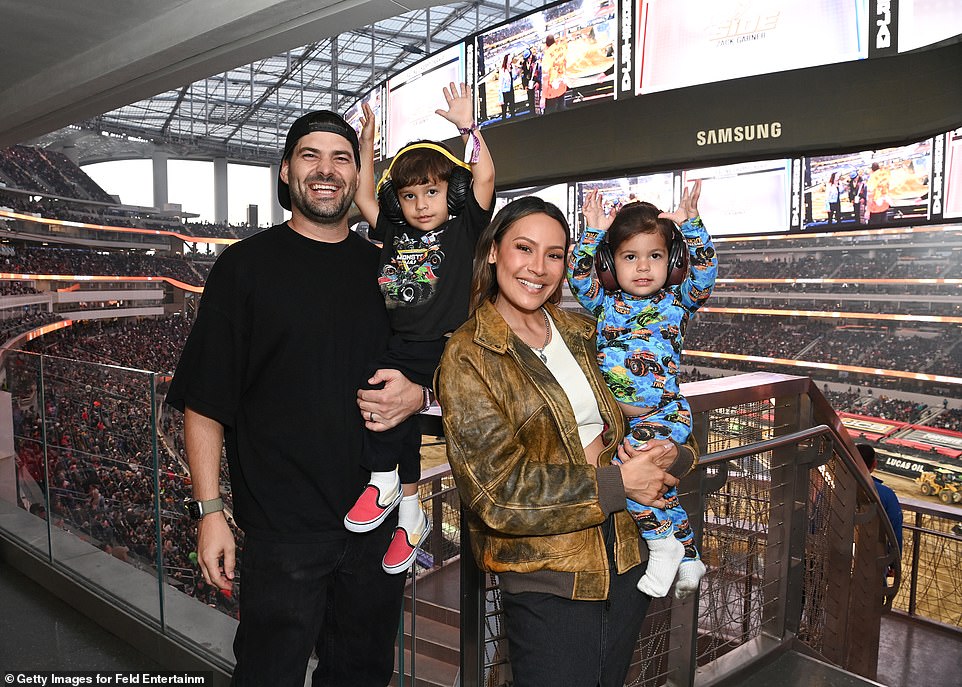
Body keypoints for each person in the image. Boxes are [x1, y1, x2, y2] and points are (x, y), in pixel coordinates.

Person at [165, 110, 427, 686]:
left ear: (358, 177)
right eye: (310, 155)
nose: (326, 170)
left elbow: (432, 359)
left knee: (361, 677)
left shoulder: (390, 266)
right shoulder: (244, 267)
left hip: (374, 526)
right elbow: (204, 401)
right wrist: (209, 513)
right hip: (282, 535)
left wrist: (421, 391)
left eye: (341, 158)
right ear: (286, 171)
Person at [436, 196, 699, 686]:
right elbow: (497, 494)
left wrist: (678, 454)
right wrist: (621, 484)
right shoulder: (467, 356)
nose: (539, 268)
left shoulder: (584, 330)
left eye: (555, 254)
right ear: (493, 252)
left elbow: (651, 415)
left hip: (627, 558)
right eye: (524, 249)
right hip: (548, 576)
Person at [347, 82, 495, 573]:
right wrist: (366, 147)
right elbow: (365, 194)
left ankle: (385, 482)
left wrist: (468, 128)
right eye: (410, 196)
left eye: (432, 191)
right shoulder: (393, 231)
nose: (422, 204)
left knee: (389, 403)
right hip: (403, 343)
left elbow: (485, 176)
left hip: (446, 347)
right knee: (388, 403)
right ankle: (409, 515)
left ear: (449, 193)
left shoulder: (463, 228)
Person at [567, 183, 715, 599]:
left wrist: (694, 227)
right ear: (612, 264)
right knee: (656, 487)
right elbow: (579, 277)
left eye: (655, 256)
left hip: (664, 413)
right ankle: (689, 557)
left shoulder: (677, 302)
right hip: (627, 420)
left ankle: (661, 544)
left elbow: (704, 277)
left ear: (672, 262)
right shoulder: (605, 304)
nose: (644, 267)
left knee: (627, 477)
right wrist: (593, 230)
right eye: (630, 257)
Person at [856, 443, 903, 553]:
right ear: (874, 464)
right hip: (873, 556)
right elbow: (895, 531)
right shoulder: (886, 494)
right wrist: (894, 563)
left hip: (834, 553)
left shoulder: (835, 486)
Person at [542, 34, 568, 114]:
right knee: (562, 108)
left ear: (546, 45)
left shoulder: (547, 56)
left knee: (550, 114)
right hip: (562, 85)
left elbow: (545, 76)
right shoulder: (561, 50)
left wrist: (543, 96)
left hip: (551, 90)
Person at [520, 48, 541, 116]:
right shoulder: (524, 64)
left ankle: (538, 114)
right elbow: (523, 75)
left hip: (536, 85)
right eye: (527, 58)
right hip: (529, 86)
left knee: (537, 101)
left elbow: (540, 73)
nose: (529, 59)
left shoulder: (536, 62)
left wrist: (538, 82)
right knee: (531, 101)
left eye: (529, 57)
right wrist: (525, 85)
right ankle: (532, 114)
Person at [499, 53, 516, 120]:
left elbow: (514, 77)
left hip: (511, 89)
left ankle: (513, 117)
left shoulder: (512, 67)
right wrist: (500, 94)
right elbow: (500, 82)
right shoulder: (503, 70)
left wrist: (514, 69)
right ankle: (504, 119)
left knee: (512, 105)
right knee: (504, 106)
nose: (510, 60)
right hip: (505, 90)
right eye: (509, 59)